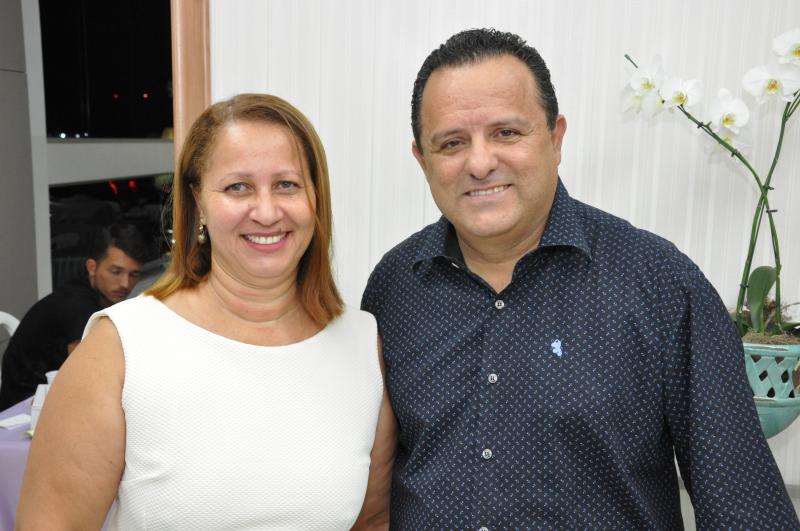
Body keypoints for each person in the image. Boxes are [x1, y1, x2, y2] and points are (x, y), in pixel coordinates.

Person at [361, 28, 800, 529]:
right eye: (452, 143)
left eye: (507, 133)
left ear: (555, 138)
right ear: (422, 159)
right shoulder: (394, 287)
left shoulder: (659, 284)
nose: (480, 163)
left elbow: (745, 506)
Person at [17, 94, 396, 530]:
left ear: (315, 197)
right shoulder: (121, 346)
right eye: (238, 187)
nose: (267, 211)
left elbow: (371, 522)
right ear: (197, 201)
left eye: (287, 184)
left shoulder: (362, 345)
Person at [0, 222, 146, 411]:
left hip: (51, 398)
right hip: (25, 409)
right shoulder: (78, 306)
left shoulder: (92, 293)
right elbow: (91, 376)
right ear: (92, 267)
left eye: (134, 274)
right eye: (115, 272)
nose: (125, 283)